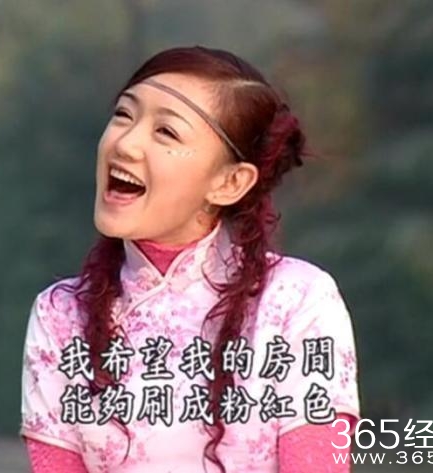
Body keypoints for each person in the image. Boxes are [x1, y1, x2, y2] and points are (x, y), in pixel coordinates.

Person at [20, 45, 360, 473]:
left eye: (166, 132)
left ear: (230, 182)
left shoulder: (298, 301)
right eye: (123, 114)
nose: (126, 143)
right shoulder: (61, 314)